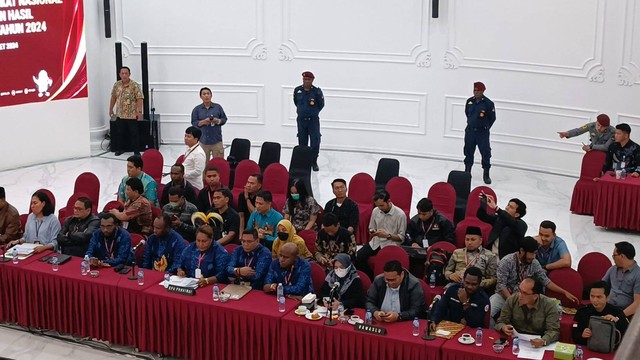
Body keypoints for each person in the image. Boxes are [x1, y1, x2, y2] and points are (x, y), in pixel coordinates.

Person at [490, 236, 579, 325]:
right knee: (488, 312)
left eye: (535, 253)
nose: (533, 257)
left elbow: (546, 281)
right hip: (504, 296)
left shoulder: (534, 263)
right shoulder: (506, 261)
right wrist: (512, 302)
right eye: (531, 254)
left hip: (527, 297)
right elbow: (501, 285)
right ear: (522, 251)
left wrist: (564, 292)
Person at [496, 277, 560, 348]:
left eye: (525, 293)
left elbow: (553, 331)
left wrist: (543, 341)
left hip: (538, 342)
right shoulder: (512, 300)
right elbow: (500, 321)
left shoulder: (549, 305)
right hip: (515, 340)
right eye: (519, 290)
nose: (520, 295)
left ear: (535, 296)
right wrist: (503, 327)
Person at [355, 190, 406, 278]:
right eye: (377, 206)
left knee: (385, 264)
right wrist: (372, 232)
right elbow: (371, 227)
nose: (380, 208)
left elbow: (401, 238)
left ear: (389, 201)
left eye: (382, 205)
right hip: (376, 242)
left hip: (391, 244)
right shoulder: (376, 210)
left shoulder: (400, 215)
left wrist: (387, 235)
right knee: (358, 258)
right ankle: (370, 278)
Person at [572, 281, 629, 346]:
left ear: (607, 298)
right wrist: (581, 335)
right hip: (588, 347)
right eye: (592, 296)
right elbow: (574, 333)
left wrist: (616, 322)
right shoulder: (582, 311)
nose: (594, 300)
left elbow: (628, 336)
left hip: (610, 350)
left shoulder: (617, 312)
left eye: (599, 297)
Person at [444, 226, 497, 290]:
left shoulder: (489, 255)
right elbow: (447, 271)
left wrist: (475, 284)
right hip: (456, 284)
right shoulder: (457, 252)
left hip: (478, 288)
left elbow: (493, 279)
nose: (469, 242)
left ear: (480, 241)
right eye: (467, 239)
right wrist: (450, 276)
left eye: (473, 239)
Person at [463, 81, 496, 184]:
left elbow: (492, 118)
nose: (476, 92)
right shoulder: (469, 101)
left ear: (482, 91)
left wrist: (484, 127)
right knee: (468, 151)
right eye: (474, 90)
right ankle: (467, 172)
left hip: (482, 133)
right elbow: (467, 114)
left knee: (485, 153)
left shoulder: (488, 103)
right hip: (470, 131)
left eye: (478, 90)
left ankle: (486, 173)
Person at [477, 193, 527, 259]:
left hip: (506, 260)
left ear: (517, 215)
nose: (507, 207)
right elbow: (482, 216)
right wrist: (483, 203)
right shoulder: (499, 219)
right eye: (508, 205)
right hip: (489, 255)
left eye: (511, 207)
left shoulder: (521, 225)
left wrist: (496, 209)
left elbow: (511, 222)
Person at [109, 66, 144, 156]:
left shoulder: (134, 85)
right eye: (122, 73)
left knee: (134, 133)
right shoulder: (117, 85)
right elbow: (113, 97)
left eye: (126, 73)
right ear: (120, 74)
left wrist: (139, 112)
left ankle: (136, 151)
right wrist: (110, 109)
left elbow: (139, 98)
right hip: (120, 114)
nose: (124, 75)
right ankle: (120, 149)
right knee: (120, 133)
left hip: (131, 114)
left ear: (129, 74)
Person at [294, 71, 324, 171]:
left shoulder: (316, 92)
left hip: (313, 121)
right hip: (301, 120)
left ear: (312, 80)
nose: (306, 81)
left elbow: (321, 105)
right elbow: (296, 102)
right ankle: (303, 161)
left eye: (308, 80)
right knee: (302, 141)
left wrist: (312, 112)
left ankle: (313, 161)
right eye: (304, 79)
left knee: (315, 141)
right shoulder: (298, 90)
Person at [602, 241, 640, 317]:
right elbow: (601, 286)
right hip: (607, 308)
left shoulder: (638, 274)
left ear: (622, 256)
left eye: (614, 256)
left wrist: (619, 317)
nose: (613, 259)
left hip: (625, 313)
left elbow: (637, 303)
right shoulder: (612, 269)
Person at [191, 87, 227, 161]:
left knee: (218, 164)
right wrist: (202, 122)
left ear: (211, 95)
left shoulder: (218, 107)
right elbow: (193, 123)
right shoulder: (197, 109)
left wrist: (218, 121)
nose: (206, 96)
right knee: (203, 165)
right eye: (204, 94)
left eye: (208, 94)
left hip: (216, 141)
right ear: (200, 96)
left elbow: (224, 119)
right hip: (203, 141)